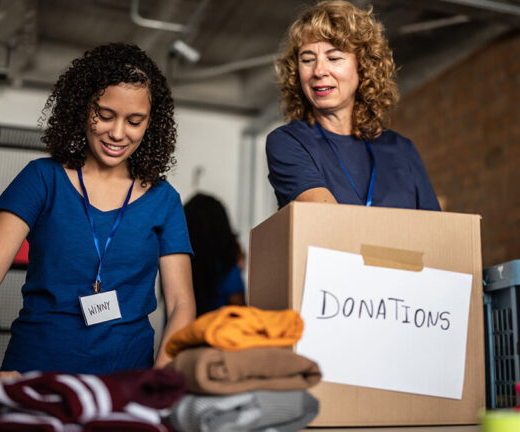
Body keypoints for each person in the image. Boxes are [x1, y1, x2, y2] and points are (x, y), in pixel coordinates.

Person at [0, 43, 195, 381]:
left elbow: (181, 304)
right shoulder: (42, 179)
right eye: (105, 115)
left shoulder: (165, 201)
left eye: (134, 121)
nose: (118, 133)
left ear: (151, 123)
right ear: (82, 106)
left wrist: (158, 382)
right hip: (34, 377)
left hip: (124, 385)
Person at [267, 0, 441, 211]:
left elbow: (434, 228)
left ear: (363, 66)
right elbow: (325, 219)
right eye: (307, 60)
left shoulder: (402, 150)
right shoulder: (288, 143)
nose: (319, 71)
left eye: (333, 58)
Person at [183, 193, 246, 316]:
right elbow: (241, 313)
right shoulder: (225, 266)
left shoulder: (179, 266)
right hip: (217, 327)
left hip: (183, 328)